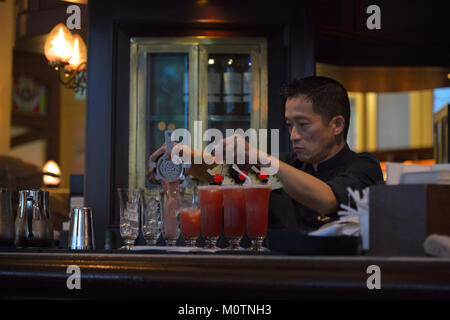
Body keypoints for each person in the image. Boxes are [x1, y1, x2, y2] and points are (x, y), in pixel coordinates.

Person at [149, 76, 384, 234]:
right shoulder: (287, 164)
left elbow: (327, 200)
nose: (294, 135)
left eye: (303, 125)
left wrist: (258, 155)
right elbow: (224, 174)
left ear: (337, 125)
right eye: (290, 125)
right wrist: (187, 157)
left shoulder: (364, 166)